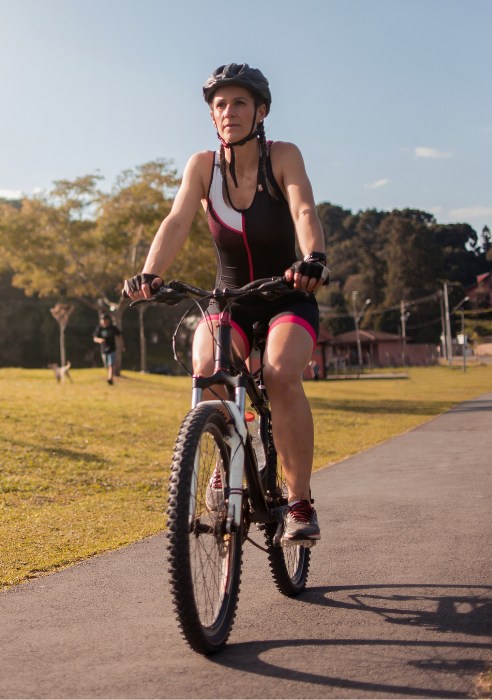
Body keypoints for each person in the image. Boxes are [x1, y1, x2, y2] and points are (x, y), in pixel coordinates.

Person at [123, 63, 329, 546]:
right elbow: (176, 221)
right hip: (229, 299)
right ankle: (224, 460)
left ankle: (299, 500)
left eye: (238, 102)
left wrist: (313, 257)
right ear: (212, 116)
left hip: (287, 295)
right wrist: (150, 275)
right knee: (207, 369)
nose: (228, 112)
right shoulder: (202, 166)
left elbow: (303, 207)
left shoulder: (283, 156)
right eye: (219, 105)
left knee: (279, 373)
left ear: (260, 111)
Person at [93, 313, 123, 385]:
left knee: (111, 365)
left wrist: (122, 345)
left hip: (112, 349)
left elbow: (119, 336)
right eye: (103, 320)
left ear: (108, 320)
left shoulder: (112, 328)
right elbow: (94, 338)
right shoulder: (99, 328)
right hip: (103, 350)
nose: (104, 321)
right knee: (106, 366)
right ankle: (110, 377)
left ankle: (110, 378)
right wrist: (100, 340)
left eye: (105, 320)